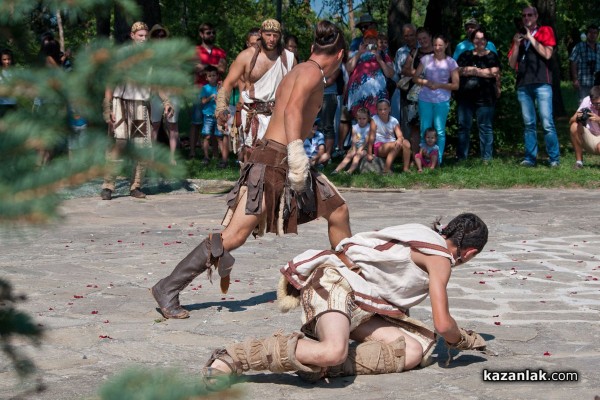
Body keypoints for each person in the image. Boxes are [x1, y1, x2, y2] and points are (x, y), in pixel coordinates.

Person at [152, 20, 351, 319]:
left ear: (313, 48)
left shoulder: (299, 68)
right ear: (340, 55)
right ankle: (168, 287)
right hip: (275, 162)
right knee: (233, 237)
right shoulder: (311, 72)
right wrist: (297, 152)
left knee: (338, 211)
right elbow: (293, 109)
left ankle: (350, 282)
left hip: (277, 157)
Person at [201, 213, 489, 386]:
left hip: (361, 304)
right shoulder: (441, 259)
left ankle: (314, 362)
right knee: (334, 351)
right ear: (471, 253)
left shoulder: (422, 233)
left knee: (411, 351)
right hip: (335, 282)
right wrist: (460, 340)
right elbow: (443, 323)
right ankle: (233, 358)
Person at [100, 22, 174, 200]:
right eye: (139, 35)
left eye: (145, 36)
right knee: (119, 144)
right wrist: (107, 105)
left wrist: (166, 101)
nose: (143, 39)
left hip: (140, 106)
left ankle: (135, 186)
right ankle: (108, 185)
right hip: (120, 104)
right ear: (132, 35)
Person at [215, 19, 296, 159]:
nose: (271, 39)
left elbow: (296, 89)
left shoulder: (289, 59)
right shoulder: (246, 56)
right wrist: (221, 108)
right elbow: (228, 83)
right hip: (252, 115)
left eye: (275, 35)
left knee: (276, 159)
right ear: (261, 33)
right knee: (251, 157)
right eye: (268, 34)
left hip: (278, 115)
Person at [508, 5, 560, 168]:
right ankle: (530, 158)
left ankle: (554, 158)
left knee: (546, 122)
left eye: (530, 15)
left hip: (542, 82)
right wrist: (517, 44)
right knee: (529, 123)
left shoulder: (545, 30)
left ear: (536, 17)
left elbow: (547, 54)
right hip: (524, 84)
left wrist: (530, 38)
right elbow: (511, 64)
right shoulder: (518, 36)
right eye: (524, 15)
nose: (527, 18)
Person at [413, 34, 459, 164]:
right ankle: (423, 160)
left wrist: (439, 85)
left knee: (439, 130)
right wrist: (426, 82)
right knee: (424, 129)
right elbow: (415, 78)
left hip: (442, 100)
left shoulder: (451, 62)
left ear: (446, 45)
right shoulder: (426, 59)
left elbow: (456, 85)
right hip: (425, 99)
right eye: (435, 45)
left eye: (440, 45)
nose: (437, 48)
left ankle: (437, 160)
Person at [456, 28, 500, 162]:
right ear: (472, 40)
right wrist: (483, 72)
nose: (479, 41)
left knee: (485, 127)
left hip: (486, 96)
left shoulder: (492, 55)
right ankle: (462, 158)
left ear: (486, 41)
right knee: (464, 127)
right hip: (465, 96)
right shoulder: (465, 55)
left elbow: (495, 72)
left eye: (482, 39)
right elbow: (456, 70)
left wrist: (473, 70)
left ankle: (487, 158)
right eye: (476, 38)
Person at [189, 23, 227, 159]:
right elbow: (193, 68)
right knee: (196, 122)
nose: (211, 35)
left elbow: (222, 69)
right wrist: (213, 67)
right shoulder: (195, 50)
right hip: (199, 91)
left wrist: (204, 66)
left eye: (213, 33)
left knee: (216, 122)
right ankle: (192, 152)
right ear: (201, 34)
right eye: (208, 33)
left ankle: (215, 154)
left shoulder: (220, 51)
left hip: (217, 93)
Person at [149, 24, 180, 165]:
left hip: (172, 91)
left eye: (162, 35)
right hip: (156, 92)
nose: (160, 38)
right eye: (156, 35)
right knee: (154, 124)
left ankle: (172, 157)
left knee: (172, 125)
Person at [346, 28, 395, 117]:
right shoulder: (356, 53)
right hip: (358, 96)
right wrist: (359, 53)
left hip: (377, 95)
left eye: (373, 38)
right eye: (368, 38)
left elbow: (390, 74)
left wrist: (380, 60)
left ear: (376, 41)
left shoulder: (383, 55)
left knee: (376, 122)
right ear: (364, 40)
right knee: (358, 124)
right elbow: (348, 68)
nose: (370, 41)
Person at [402, 27, 434, 158]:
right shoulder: (414, 52)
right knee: (415, 126)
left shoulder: (438, 51)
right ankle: (416, 157)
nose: (422, 41)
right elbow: (404, 70)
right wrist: (416, 73)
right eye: (420, 39)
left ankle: (432, 157)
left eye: (424, 38)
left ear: (430, 37)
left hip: (434, 93)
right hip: (416, 95)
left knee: (432, 126)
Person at [365, 98, 411, 174]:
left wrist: (399, 139)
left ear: (389, 109)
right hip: (380, 147)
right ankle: (386, 169)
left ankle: (405, 168)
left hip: (393, 145)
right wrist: (369, 153)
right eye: (380, 109)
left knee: (406, 143)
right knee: (397, 145)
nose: (383, 112)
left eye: (385, 109)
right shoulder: (374, 119)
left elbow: (400, 135)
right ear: (377, 110)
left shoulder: (394, 120)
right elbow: (371, 137)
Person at [200, 66, 228, 167]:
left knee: (219, 137)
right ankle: (206, 157)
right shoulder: (205, 88)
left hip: (218, 116)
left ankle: (222, 158)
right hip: (208, 115)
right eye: (209, 76)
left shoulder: (220, 88)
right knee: (207, 136)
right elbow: (202, 102)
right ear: (206, 78)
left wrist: (218, 100)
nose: (212, 77)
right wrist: (211, 97)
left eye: (214, 75)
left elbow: (224, 101)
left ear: (217, 76)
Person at [391, 24, 417, 126]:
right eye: (406, 36)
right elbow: (398, 72)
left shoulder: (424, 47)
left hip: (424, 89)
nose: (409, 38)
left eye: (412, 35)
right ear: (403, 36)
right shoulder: (400, 52)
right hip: (406, 90)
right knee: (407, 122)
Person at [569, 85, 600, 169]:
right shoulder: (586, 101)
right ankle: (579, 162)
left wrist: (598, 120)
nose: (595, 106)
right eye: (593, 103)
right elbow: (570, 121)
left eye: (598, 104)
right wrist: (577, 117)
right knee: (574, 126)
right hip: (591, 136)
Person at [332, 107, 369, 175]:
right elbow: (354, 140)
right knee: (349, 155)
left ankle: (349, 171)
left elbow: (367, 141)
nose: (361, 120)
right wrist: (354, 149)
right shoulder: (354, 127)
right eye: (359, 118)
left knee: (357, 156)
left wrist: (360, 149)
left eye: (364, 119)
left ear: (368, 119)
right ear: (356, 118)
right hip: (355, 146)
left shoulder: (369, 128)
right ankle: (337, 170)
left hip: (365, 148)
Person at [570, 25, 600, 102]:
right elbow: (573, 62)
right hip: (583, 81)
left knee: (598, 104)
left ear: (597, 35)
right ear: (587, 34)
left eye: (595, 33)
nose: (593, 35)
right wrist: (575, 79)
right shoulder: (579, 46)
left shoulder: (599, 47)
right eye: (590, 33)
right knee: (584, 105)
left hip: (597, 82)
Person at [0, 49, 16, 118]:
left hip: (12, 104)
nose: (7, 62)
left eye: (9, 59)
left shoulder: (15, 72)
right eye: (4, 59)